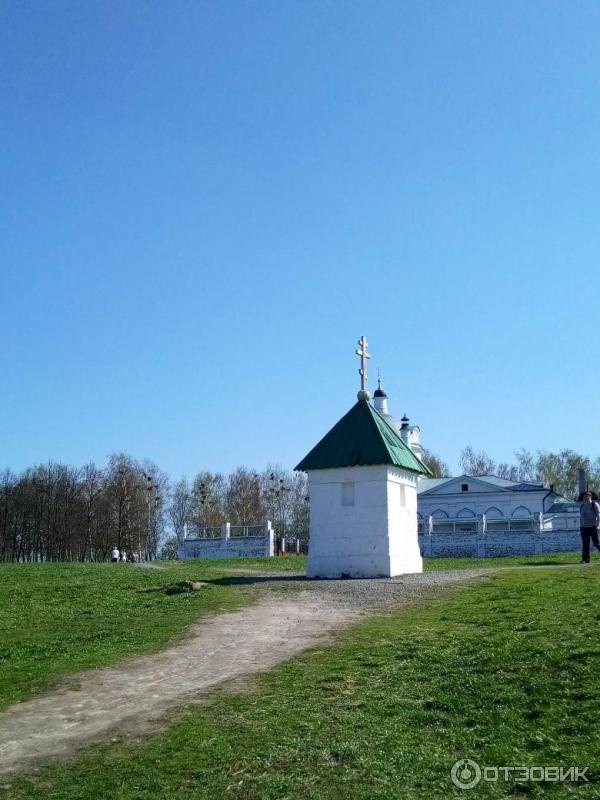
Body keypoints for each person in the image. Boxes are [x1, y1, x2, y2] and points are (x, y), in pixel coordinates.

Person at [579, 491, 600, 563]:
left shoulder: (594, 504)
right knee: (585, 544)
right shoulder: (582, 506)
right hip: (583, 528)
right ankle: (585, 559)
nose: (585, 498)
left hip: (593, 527)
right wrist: (581, 526)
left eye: (587, 497)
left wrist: (598, 525)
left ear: (590, 497)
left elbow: (598, 516)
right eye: (584, 497)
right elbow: (581, 517)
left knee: (596, 543)